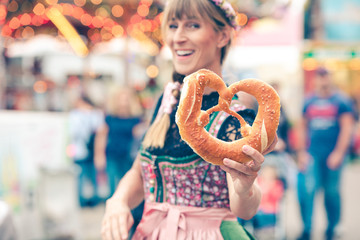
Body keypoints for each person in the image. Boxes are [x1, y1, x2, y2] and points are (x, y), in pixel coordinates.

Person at [101, 0, 277, 239]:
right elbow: (140, 171)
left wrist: (245, 187)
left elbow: (245, 208)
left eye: (193, 25)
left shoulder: (235, 118)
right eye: (173, 26)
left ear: (222, 36)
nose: (178, 38)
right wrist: (118, 201)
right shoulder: (168, 101)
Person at [296, 67, 355, 240]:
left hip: (333, 155)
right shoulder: (309, 100)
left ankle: (332, 227)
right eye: (319, 76)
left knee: (331, 192)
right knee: (308, 190)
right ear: (315, 79)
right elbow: (302, 127)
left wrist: (338, 153)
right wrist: (301, 153)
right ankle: (307, 229)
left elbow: (347, 128)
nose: (323, 80)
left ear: (330, 78)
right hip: (312, 154)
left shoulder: (341, 100)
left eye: (325, 76)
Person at [68, 94, 104, 207]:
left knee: (92, 175)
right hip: (80, 151)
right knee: (81, 176)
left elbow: (100, 131)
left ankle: (93, 198)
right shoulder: (75, 115)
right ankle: (82, 199)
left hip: (92, 150)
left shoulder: (94, 114)